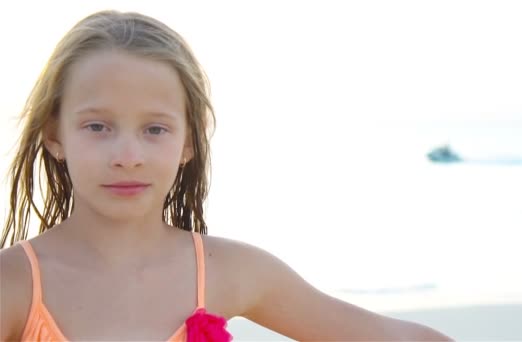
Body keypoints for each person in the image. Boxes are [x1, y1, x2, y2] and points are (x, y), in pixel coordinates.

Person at [0, 10, 453, 341]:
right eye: (97, 127)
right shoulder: (14, 284)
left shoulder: (230, 273)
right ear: (54, 135)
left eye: (155, 129)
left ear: (189, 143)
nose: (128, 155)